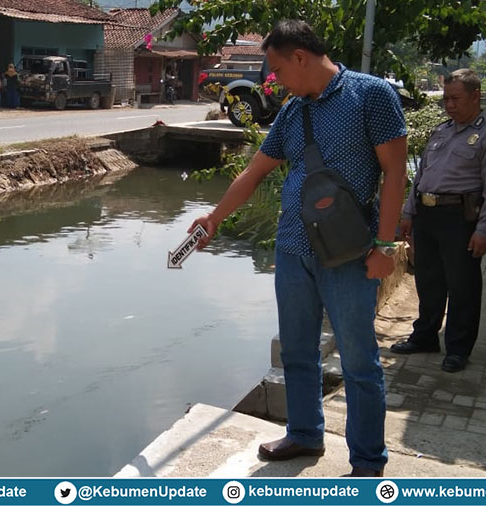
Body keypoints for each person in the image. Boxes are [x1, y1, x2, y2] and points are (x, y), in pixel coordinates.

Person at [189, 19, 407, 477]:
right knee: (296, 350)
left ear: (301, 58)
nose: (274, 79)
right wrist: (213, 218)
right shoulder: (293, 111)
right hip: (292, 249)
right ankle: (305, 433)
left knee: (358, 359)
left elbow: (395, 174)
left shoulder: (371, 96)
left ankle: (368, 460)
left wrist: (385, 245)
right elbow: (254, 173)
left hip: (350, 252)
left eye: (277, 68)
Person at [390, 69, 486, 373]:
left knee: (462, 285)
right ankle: (425, 336)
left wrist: (484, 230)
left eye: (456, 99)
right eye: (446, 99)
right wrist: (408, 213)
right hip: (427, 215)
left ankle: (458, 348)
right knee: (428, 280)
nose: (450, 105)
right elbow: (421, 177)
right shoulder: (441, 132)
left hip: (459, 218)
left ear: (475, 96)